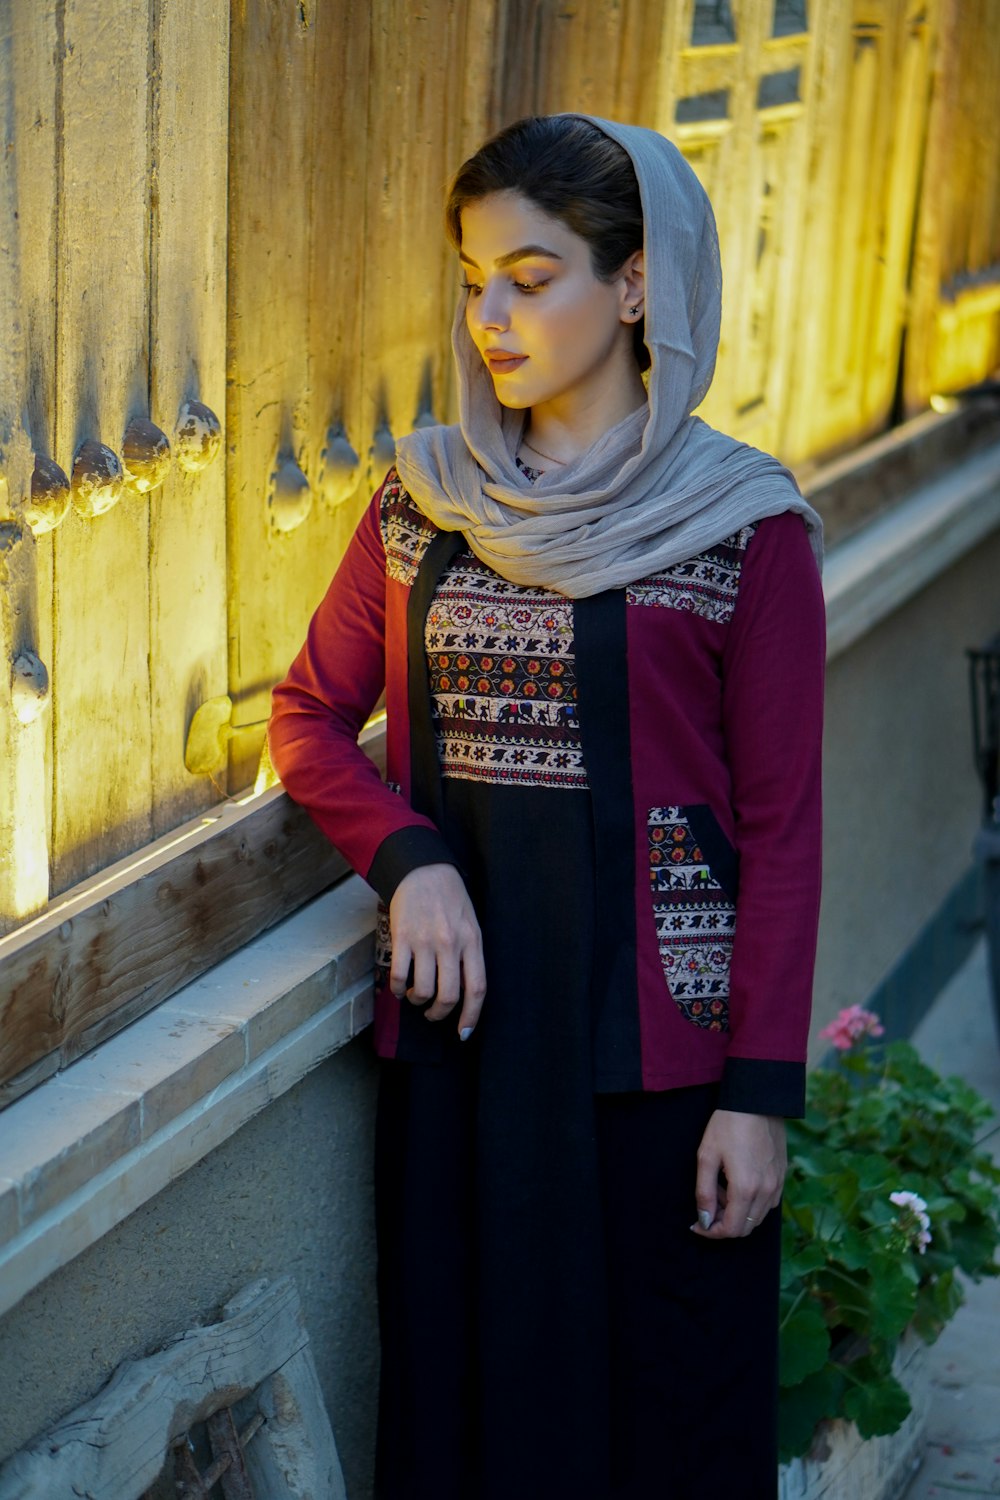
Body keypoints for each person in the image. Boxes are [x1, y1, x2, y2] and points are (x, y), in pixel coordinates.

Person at [269, 114, 825, 1500]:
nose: (491, 316)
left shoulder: (742, 525)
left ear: (635, 286)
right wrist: (410, 862)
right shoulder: (426, 503)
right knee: (472, 1420)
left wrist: (758, 1099)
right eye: (472, 279)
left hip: (661, 1069)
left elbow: (785, 833)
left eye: (532, 274)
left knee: (666, 1428)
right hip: (467, 1057)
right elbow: (308, 717)